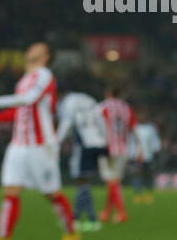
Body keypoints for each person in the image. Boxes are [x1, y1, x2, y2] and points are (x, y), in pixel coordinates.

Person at [0, 42, 80, 240]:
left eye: (37, 47)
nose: (30, 48)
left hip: (40, 146)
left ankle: (71, 234)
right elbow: (21, 110)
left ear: (46, 56)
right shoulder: (25, 79)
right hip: (19, 144)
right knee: (10, 191)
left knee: (51, 193)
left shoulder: (44, 75)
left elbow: (30, 99)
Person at [55, 89, 107, 231]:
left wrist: (56, 143)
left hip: (84, 143)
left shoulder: (66, 103)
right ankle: (78, 218)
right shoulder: (89, 99)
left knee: (81, 181)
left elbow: (66, 122)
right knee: (84, 182)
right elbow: (101, 119)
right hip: (98, 143)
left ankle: (88, 219)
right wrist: (105, 141)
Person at [97, 87, 136, 224]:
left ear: (107, 93)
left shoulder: (103, 106)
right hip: (123, 148)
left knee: (111, 181)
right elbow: (133, 128)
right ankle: (107, 213)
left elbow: (98, 126)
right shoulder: (126, 108)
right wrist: (139, 147)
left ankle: (121, 212)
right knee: (114, 182)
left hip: (107, 147)